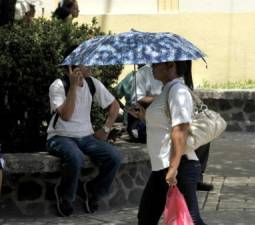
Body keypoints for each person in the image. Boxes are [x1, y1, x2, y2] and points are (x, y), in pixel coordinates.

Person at [131, 61, 207, 225]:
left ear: (170, 66)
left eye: (157, 64)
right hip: (161, 168)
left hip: (179, 168)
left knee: (191, 220)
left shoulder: (178, 91)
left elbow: (180, 129)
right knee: (145, 218)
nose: (152, 67)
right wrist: (144, 117)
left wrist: (173, 168)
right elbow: (164, 124)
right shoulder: (167, 90)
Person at [46, 63, 122, 217]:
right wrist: (73, 87)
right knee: (76, 157)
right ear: (72, 68)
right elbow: (66, 115)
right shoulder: (58, 86)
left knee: (115, 156)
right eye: (85, 63)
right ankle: (65, 196)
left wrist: (106, 129)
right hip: (60, 137)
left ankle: (93, 190)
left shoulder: (92, 82)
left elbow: (114, 105)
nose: (91, 66)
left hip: (86, 137)